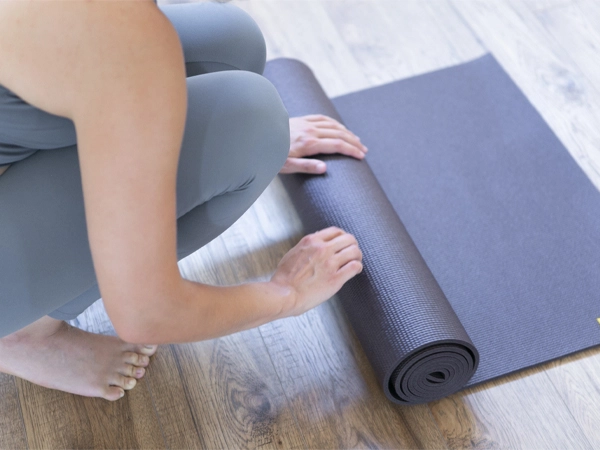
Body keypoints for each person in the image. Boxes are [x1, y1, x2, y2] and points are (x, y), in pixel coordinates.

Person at [0, 0, 365, 401]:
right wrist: (286, 294)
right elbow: (148, 313)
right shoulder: (113, 34)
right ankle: (24, 334)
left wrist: (164, 127)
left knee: (232, 43)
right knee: (251, 128)